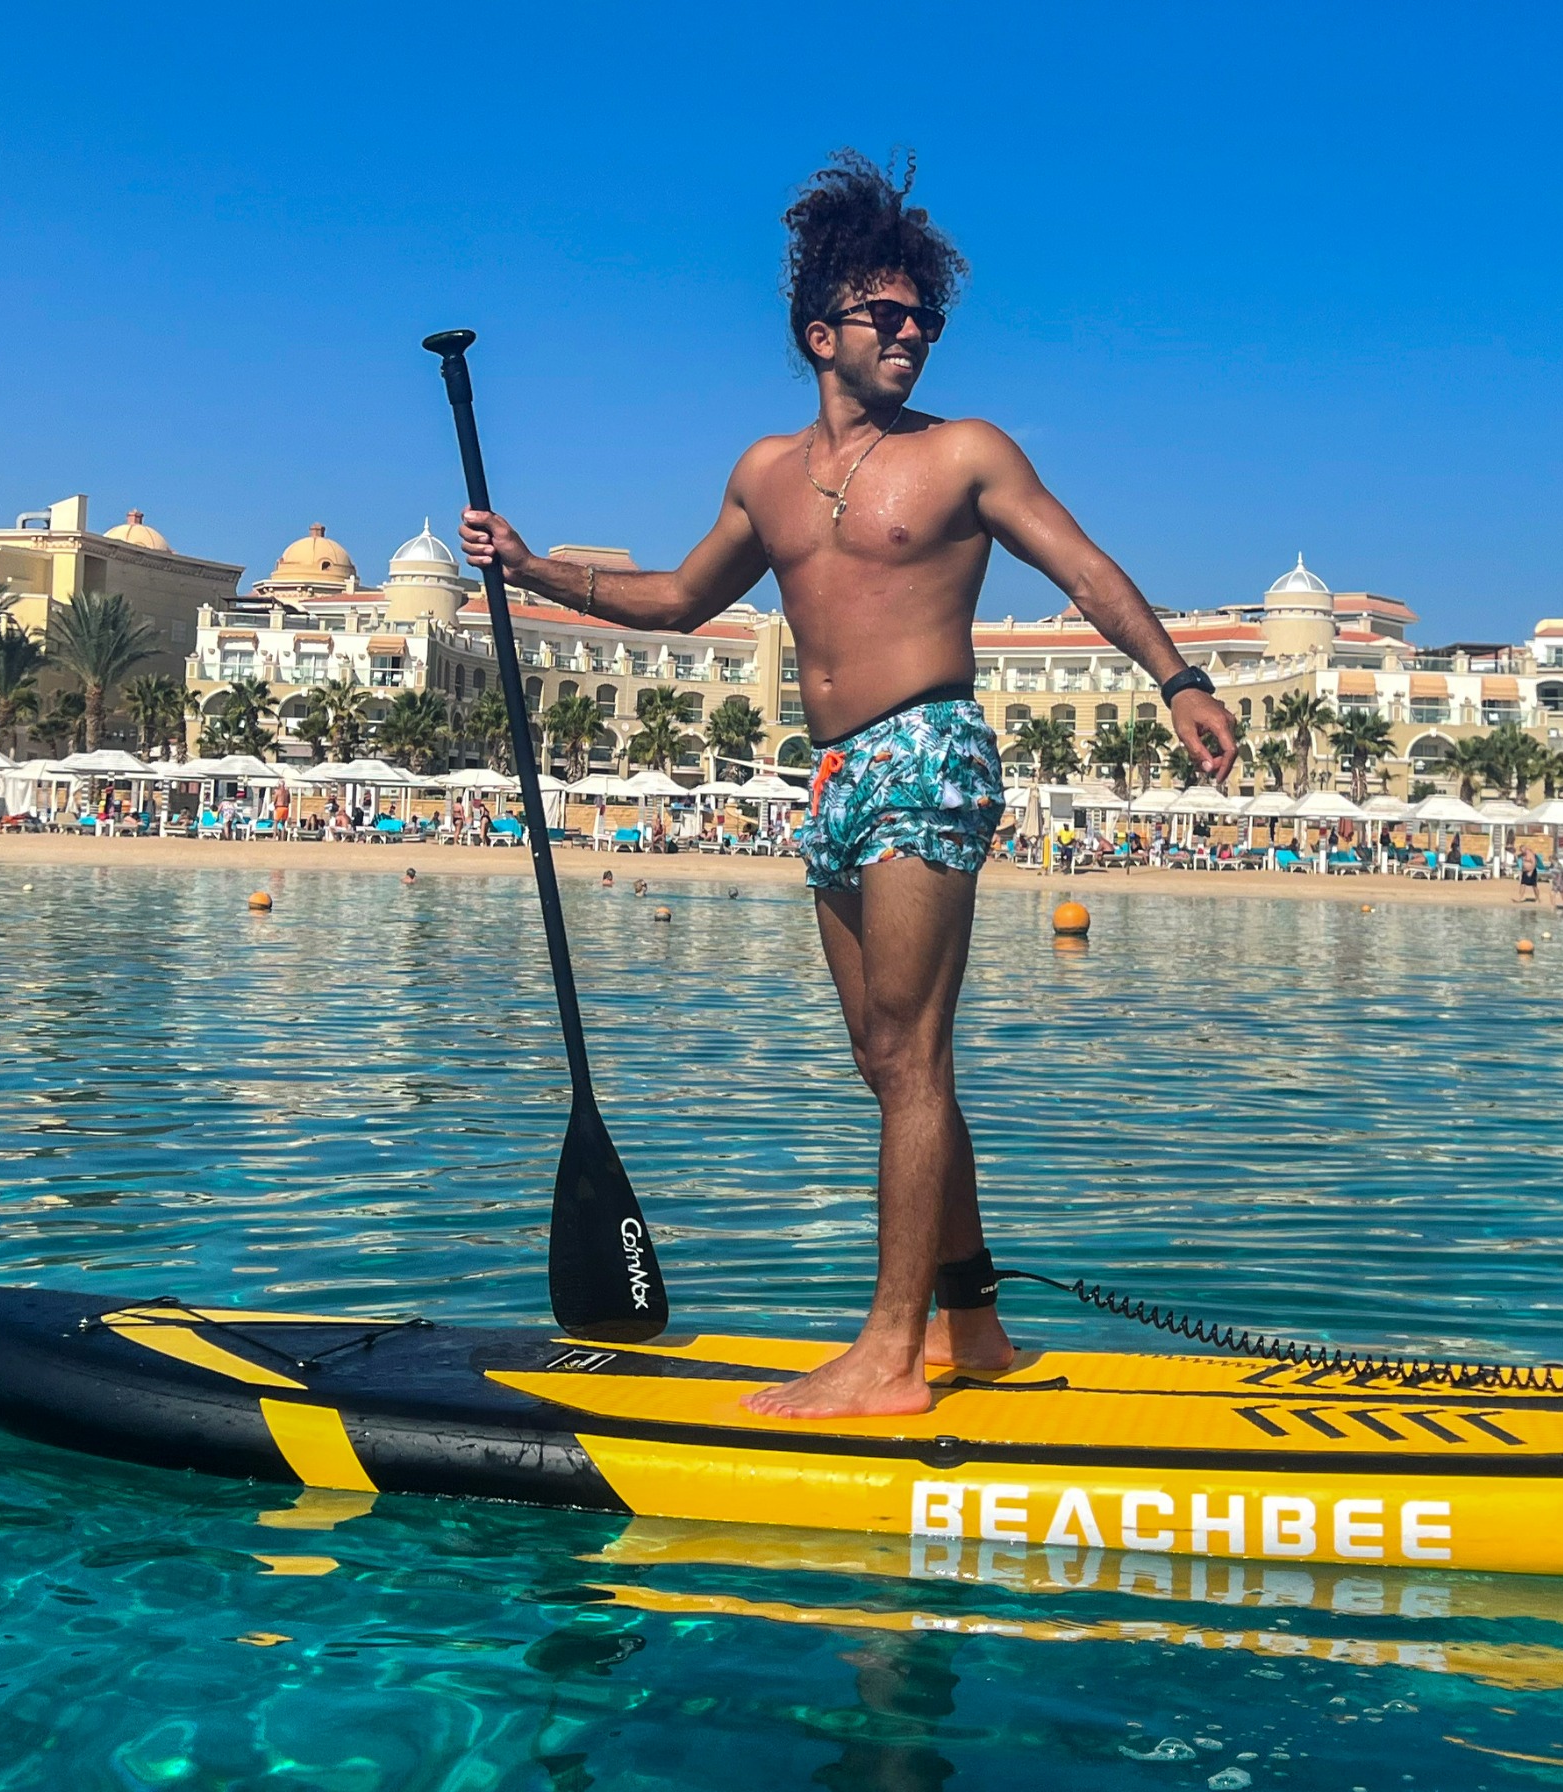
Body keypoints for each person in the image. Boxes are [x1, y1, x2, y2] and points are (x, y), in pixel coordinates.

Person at [461, 152, 1238, 1419]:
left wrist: (1178, 678)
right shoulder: (766, 473)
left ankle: (890, 1353)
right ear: (822, 332)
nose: (916, 335)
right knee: (888, 1059)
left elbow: (1085, 572)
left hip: (929, 752)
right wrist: (537, 568)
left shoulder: (966, 456)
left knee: (914, 1052)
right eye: (891, 316)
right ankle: (972, 1327)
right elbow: (675, 597)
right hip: (828, 777)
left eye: (927, 317)